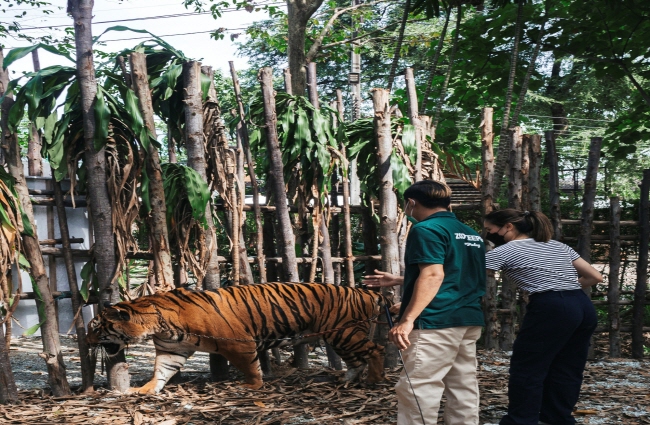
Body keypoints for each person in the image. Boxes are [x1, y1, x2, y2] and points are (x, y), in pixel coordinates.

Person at [363, 180, 486, 425]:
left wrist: (407, 319)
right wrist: (401, 280)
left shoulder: (426, 229)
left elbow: (433, 275)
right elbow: (456, 274)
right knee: (463, 386)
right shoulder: (471, 234)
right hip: (467, 319)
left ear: (411, 202)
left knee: (419, 388)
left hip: (435, 321)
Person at [483, 209, 602, 425]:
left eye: (490, 230)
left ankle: (522, 420)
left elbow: (465, 273)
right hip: (582, 305)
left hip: (552, 306)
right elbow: (595, 276)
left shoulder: (506, 251)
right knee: (567, 366)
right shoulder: (558, 245)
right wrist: (565, 290)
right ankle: (557, 418)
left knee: (528, 366)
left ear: (508, 227)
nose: (489, 234)